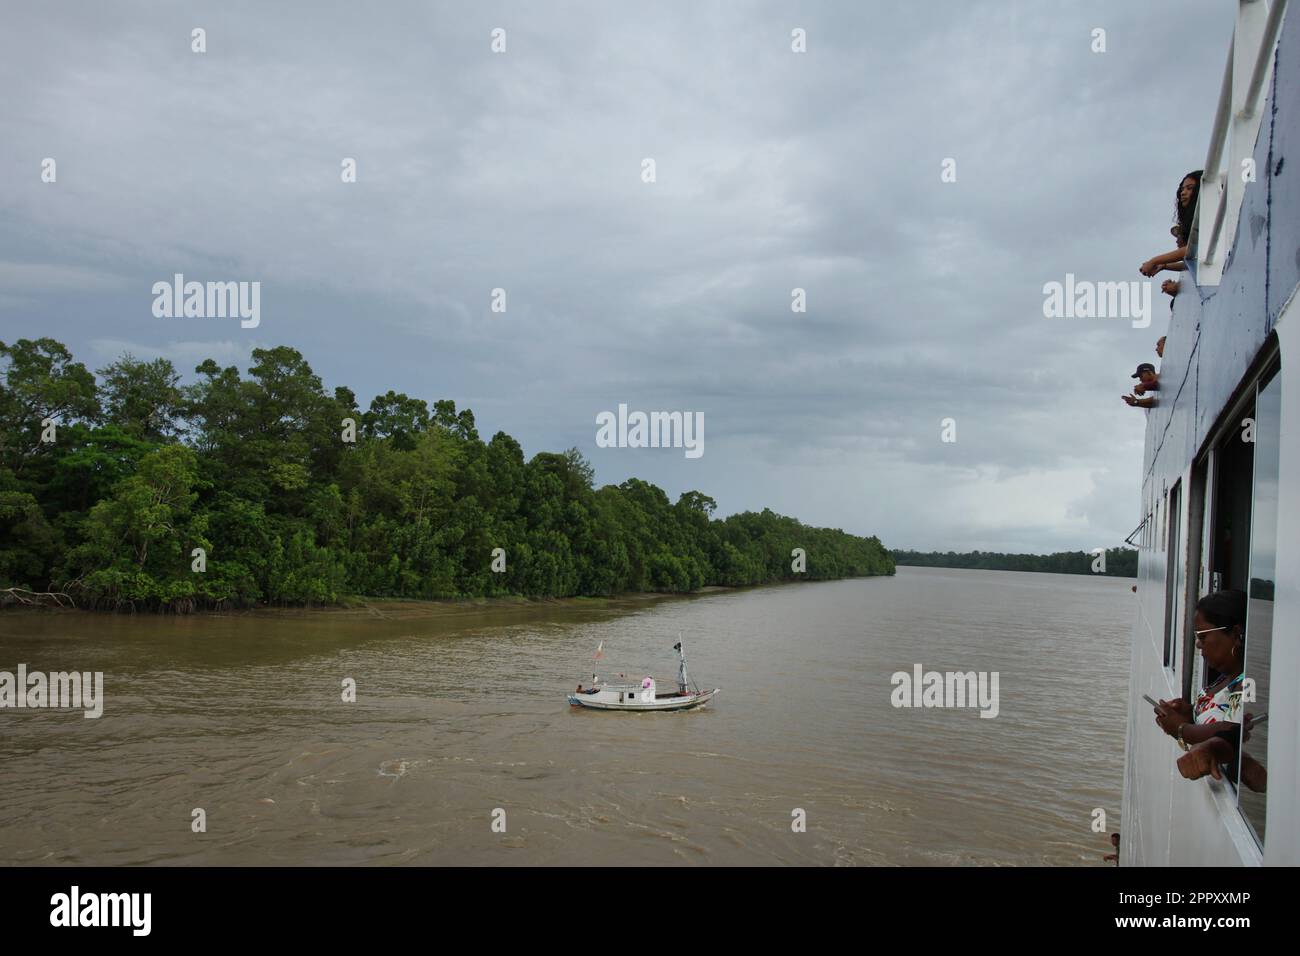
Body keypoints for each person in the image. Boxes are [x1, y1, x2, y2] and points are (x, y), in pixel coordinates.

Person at [1153, 591, 1246, 776]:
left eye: (1203, 636)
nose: (1197, 644)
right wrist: (1189, 713)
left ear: (1235, 633)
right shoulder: (1223, 678)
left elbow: (1233, 730)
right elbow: (1216, 720)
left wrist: (1181, 729)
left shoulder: (1248, 684)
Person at [1140, 171, 1202, 276]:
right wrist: (1164, 266)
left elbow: (1194, 249)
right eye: (1182, 189)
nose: (1183, 193)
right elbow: (1192, 262)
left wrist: (1154, 261)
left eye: (1190, 188)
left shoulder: (1208, 213)